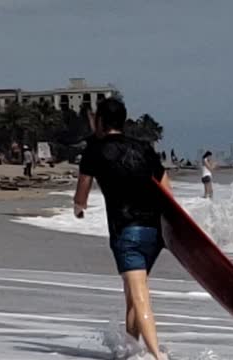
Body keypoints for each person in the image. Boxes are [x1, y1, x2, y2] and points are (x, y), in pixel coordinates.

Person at [73, 98, 171, 360]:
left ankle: (156, 353)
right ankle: (130, 349)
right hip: (154, 232)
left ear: (102, 121)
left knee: (138, 293)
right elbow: (165, 185)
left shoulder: (95, 150)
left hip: (127, 231)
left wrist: (78, 208)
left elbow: (82, 191)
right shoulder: (143, 148)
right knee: (132, 293)